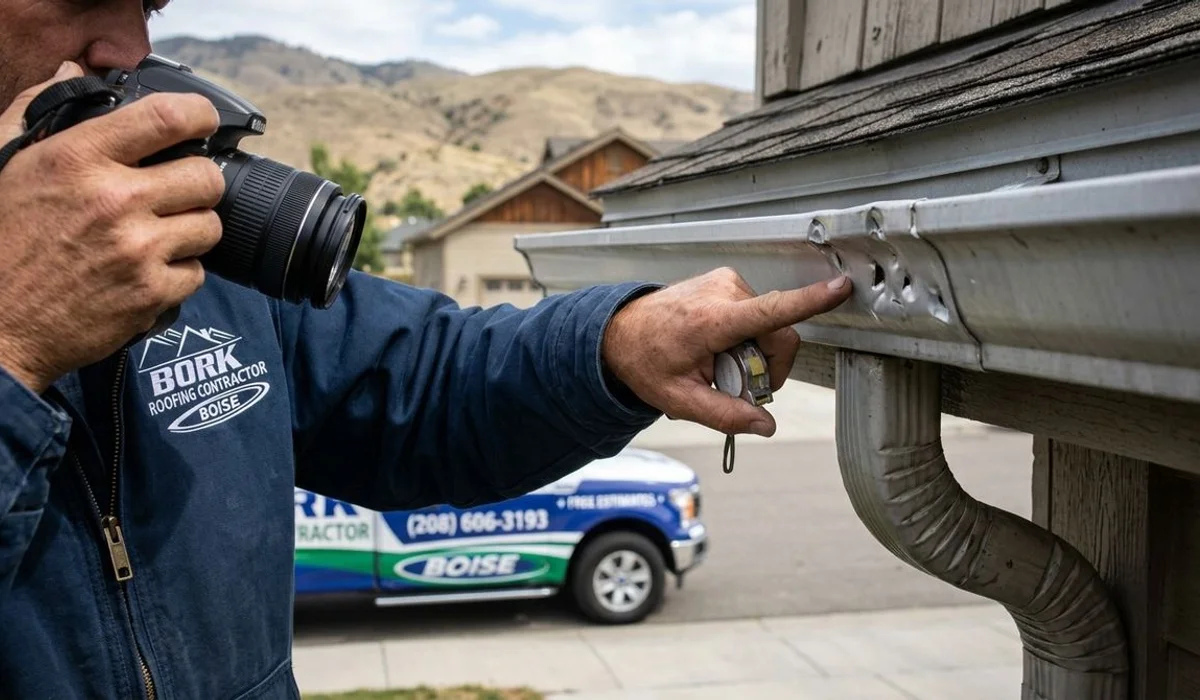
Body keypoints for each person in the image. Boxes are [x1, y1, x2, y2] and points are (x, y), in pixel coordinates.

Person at [0, 2, 854, 698]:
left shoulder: (193, 259)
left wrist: (618, 343)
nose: (130, 49)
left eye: (149, 4)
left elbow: (425, 379)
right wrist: (13, 342)